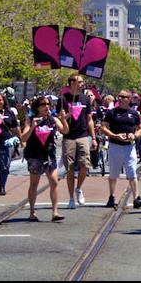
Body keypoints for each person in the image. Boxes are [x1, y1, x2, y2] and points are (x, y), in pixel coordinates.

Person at [21, 96, 70, 222]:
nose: (47, 106)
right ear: (37, 107)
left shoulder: (53, 119)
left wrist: (63, 120)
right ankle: (32, 212)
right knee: (34, 184)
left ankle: (55, 212)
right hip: (35, 155)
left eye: (48, 104)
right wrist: (32, 127)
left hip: (49, 155)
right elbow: (23, 138)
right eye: (43, 104)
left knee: (54, 182)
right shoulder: (31, 119)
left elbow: (65, 131)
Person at [101, 90, 141, 210]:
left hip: (129, 147)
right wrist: (114, 135)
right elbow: (103, 127)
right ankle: (111, 196)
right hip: (115, 146)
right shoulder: (111, 113)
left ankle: (136, 198)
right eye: (120, 96)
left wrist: (135, 135)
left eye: (124, 97)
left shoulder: (134, 113)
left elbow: (140, 129)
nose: (121, 98)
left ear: (129, 99)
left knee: (132, 172)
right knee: (113, 173)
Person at [56, 75, 97, 209]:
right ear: (72, 83)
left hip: (83, 135)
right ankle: (71, 198)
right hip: (69, 136)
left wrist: (93, 138)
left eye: (82, 82)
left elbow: (89, 119)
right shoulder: (63, 99)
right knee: (70, 167)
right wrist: (68, 114)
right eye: (79, 82)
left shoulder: (85, 99)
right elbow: (59, 119)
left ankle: (78, 188)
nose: (82, 84)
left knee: (85, 164)